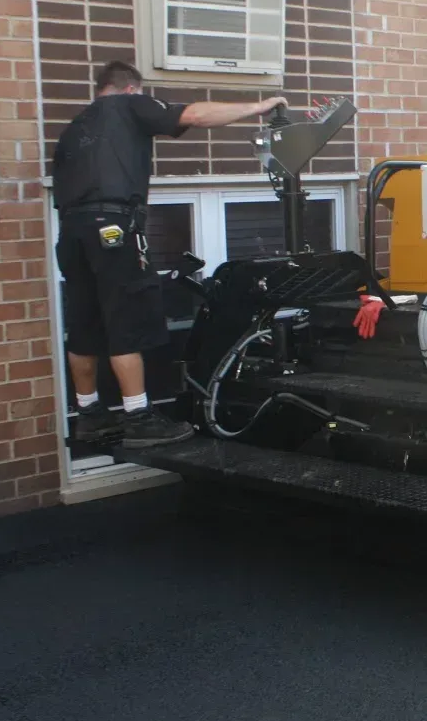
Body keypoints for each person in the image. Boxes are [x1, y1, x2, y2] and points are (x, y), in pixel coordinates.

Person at [52, 61, 288, 448]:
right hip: (113, 228)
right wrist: (259, 106)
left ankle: (89, 415)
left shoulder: (75, 127)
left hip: (73, 232)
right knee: (124, 317)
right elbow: (194, 114)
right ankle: (139, 416)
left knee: (84, 323)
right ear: (131, 89)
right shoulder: (129, 105)